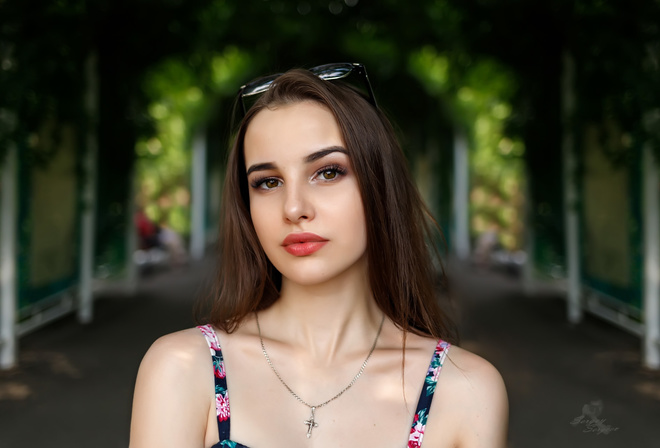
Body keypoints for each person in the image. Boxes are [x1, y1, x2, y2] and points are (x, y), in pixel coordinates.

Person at [129, 63, 508, 448]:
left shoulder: (463, 390)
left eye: (327, 172)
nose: (293, 208)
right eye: (268, 182)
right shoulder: (183, 369)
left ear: (380, 183)